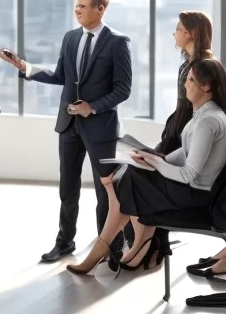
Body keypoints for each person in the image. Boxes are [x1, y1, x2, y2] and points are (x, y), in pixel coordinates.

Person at [0, 0, 132, 264]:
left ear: (100, 9)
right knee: (67, 188)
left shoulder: (118, 42)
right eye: (77, 6)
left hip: (101, 129)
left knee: (105, 191)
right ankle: (65, 242)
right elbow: (60, 75)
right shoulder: (71, 38)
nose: (78, 10)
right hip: (69, 125)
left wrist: (92, 107)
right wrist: (25, 67)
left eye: (83, 6)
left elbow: (123, 90)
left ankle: (109, 246)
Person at [66, 58, 226, 276]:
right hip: (193, 189)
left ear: (206, 86)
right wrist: (153, 157)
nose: (185, 84)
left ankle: (110, 246)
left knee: (129, 181)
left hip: (196, 194)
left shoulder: (209, 120)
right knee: (132, 173)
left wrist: (158, 163)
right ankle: (122, 243)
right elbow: (186, 152)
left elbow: (189, 174)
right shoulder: (204, 115)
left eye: (190, 80)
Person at [150, 11, 214, 264]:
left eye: (178, 29)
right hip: (175, 130)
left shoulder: (203, 66)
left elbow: (197, 109)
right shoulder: (187, 61)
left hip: (184, 135)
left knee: (155, 179)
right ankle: (150, 242)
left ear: (192, 33)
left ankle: (152, 244)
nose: (174, 33)